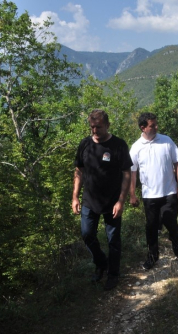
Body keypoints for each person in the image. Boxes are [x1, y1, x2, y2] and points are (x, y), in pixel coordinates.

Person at [72, 109, 132, 291]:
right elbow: (79, 171)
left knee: (113, 239)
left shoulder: (118, 145)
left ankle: (113, 275)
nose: (95, 131)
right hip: (90, 200)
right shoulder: (85, 144)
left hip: (112, 201)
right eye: (92, 127)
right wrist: (74, 196)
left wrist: (121, 200)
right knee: (86, 234)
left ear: (107, 125)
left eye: (98, 127)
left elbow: (126, 173)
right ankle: (101, 263)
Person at [129, 112, 178, 270]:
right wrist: (132, 194)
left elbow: (177, 164)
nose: (156, 127)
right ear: (143, 128)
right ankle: (152, 256)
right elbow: (132, 173)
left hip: (169, 192)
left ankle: (175, 238)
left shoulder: (166, 141)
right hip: (149, 196)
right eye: (152, 125)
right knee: (151, 226)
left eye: (156, 124)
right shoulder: (136, 148)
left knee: (170, 221)